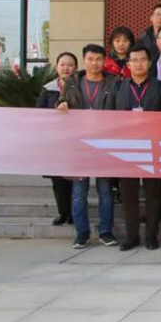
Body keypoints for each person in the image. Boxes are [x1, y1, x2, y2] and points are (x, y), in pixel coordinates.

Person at [108, 45, 161, 251]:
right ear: (128, 64)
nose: (138, 64)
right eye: (134, 60)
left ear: (150, 63)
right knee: (129, 194)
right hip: (127, 147)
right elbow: (109, 116)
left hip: (153, 146)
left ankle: (152, 235)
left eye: (142, 60)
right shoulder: (118, 87)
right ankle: (132, 236)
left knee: (154, 193)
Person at [57, 44, 117, 249]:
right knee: (78, 192)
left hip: (104, 143)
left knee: (105, 190)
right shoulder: (72, 83)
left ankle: (106, 231)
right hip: (79, 144)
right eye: (90, 59)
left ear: (104, 61)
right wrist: (61, 104)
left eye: (98, 59)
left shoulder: (113, 83)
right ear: (84, 60)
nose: (95, 63)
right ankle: (81, 233)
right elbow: (61, 102)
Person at [36, 52, 78, 227]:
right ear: (57, 67)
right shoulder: (48, 89)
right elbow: (39, 112)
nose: (66, 68)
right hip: (55, 141)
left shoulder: (80, 87)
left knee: (74, 180)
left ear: (76, 68)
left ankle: (75, 213)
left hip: (75, 141)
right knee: (58, 181)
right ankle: (63, 212)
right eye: (62, 64)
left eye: (70, 65)